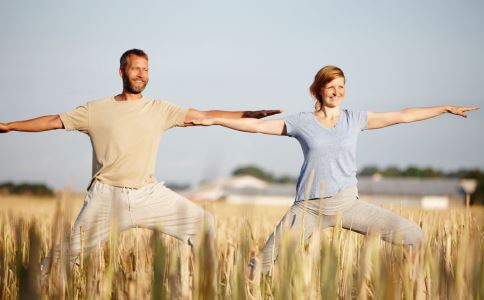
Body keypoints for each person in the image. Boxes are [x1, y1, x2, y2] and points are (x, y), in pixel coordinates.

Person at [0, 49, 281, 273]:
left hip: (149, 194)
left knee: (204, 224)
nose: (141, 74)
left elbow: (203, 115)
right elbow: (52, 121)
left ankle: (205, 287)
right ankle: (32, 287)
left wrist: (246, 113)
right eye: (136, 68)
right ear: (121, 71)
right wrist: (10, 126)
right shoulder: (94, 110)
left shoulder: (159, 109)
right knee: (64, 258)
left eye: (146, 70)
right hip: (106, 198)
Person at [185, 65, 480, 276]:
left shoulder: (355, 119)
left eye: (341, 87)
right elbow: (256, 126)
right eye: (331, 87)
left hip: (346, 204)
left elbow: (403, 115)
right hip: (308, 209)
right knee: (262, 264)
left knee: (413, 235)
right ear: (319, 90)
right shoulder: (302, 122)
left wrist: (444, 108)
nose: (337, 92)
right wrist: (215, 119)